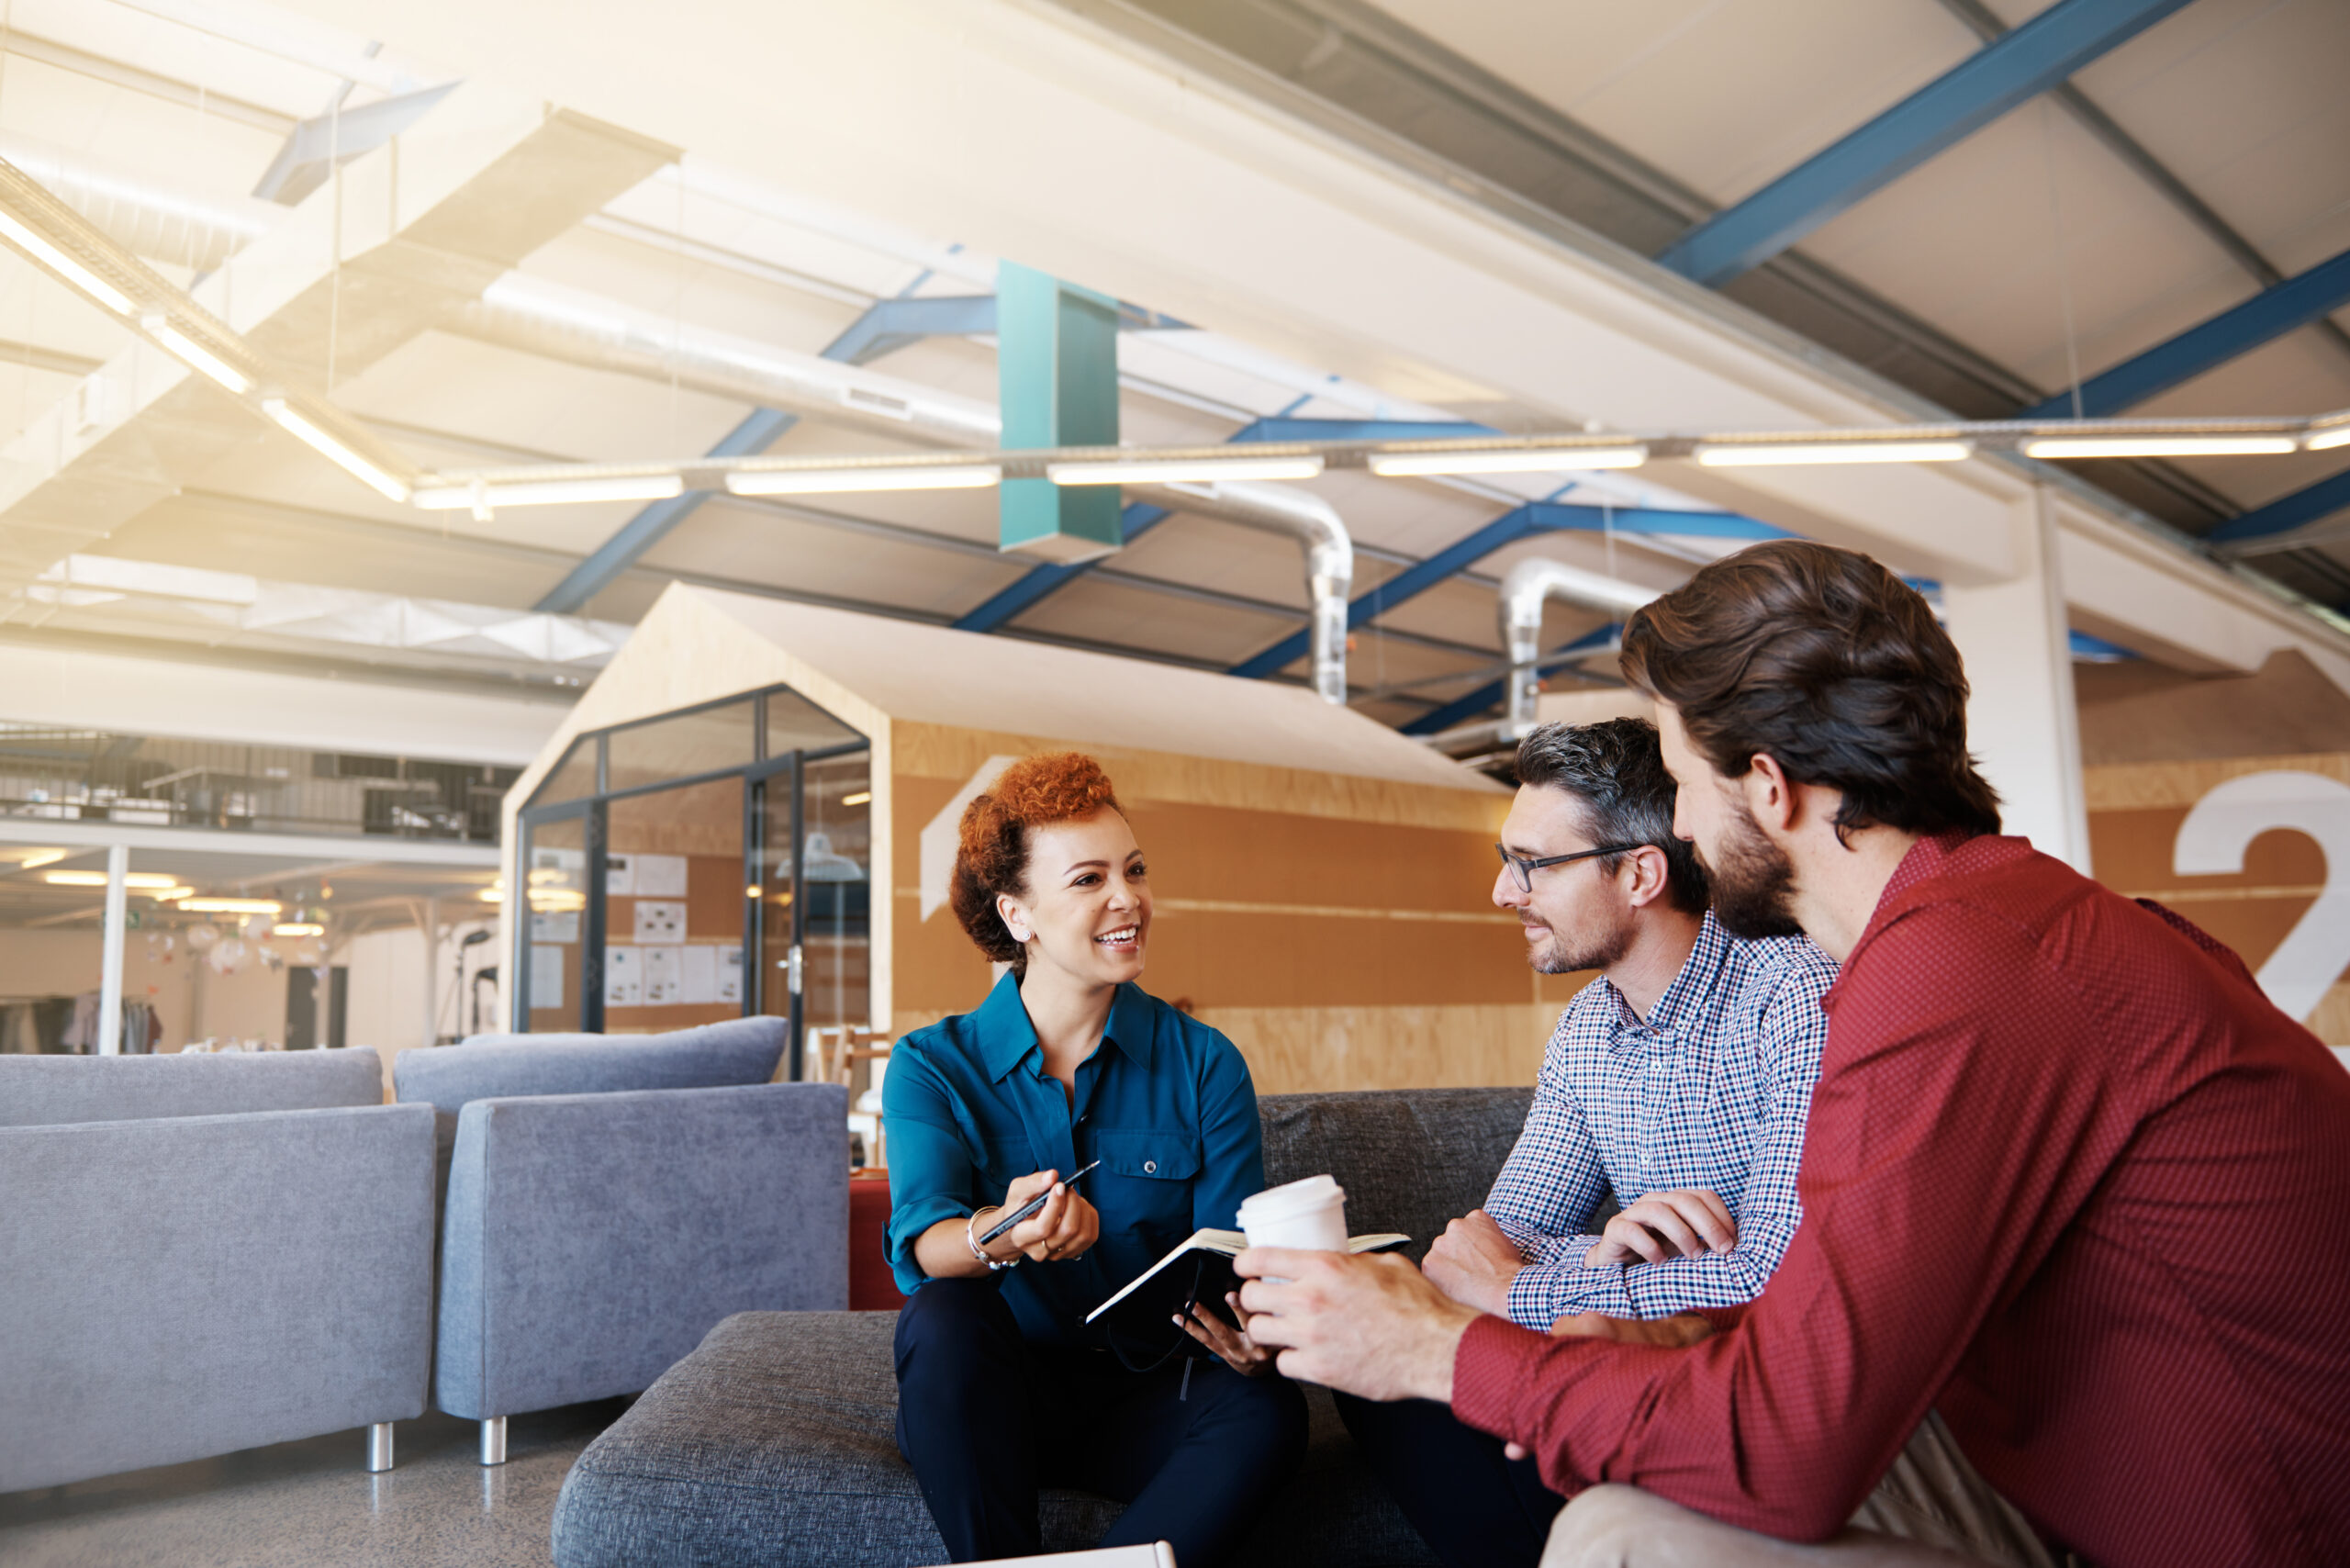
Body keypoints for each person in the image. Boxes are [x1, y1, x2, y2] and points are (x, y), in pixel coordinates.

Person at [1237, 540, 2350, 1568]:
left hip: (2242, 1525)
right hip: (2079, 1461)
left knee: (1621, 1538)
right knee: (1624, 1448)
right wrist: (1667, 1326)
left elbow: (1790, 1446)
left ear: (1765, 787)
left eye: (1677, 780)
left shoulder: (1951, 976)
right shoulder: (1983, 929)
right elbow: (1845, 1317)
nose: (1672, 823)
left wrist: (1432, 1349)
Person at [1340, 717, 1837, 1568]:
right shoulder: (1586, 1031)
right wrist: (1603, 1255)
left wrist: (1530, 1291)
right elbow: (1489, 1245)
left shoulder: (1789, 989)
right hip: (1631, 1352)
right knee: (1378, 1377)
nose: (1504, 893)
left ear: (1641, 873)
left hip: (1758, 1387)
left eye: (1531, 866)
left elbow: (1777, 1273)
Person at [883, 751, 1306, 1565]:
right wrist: (1003, 1233)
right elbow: (923, 1243)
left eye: (1135, 869)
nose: (1129, 899)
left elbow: (1233, 1257)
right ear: (1019, 916)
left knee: (1269, 1409)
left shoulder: (1206, 1063)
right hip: (996, 1402)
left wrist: (1260, 1330)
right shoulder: (933, 1065)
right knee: (943, 1315)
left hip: (1155, 1399)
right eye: (1088, 879)